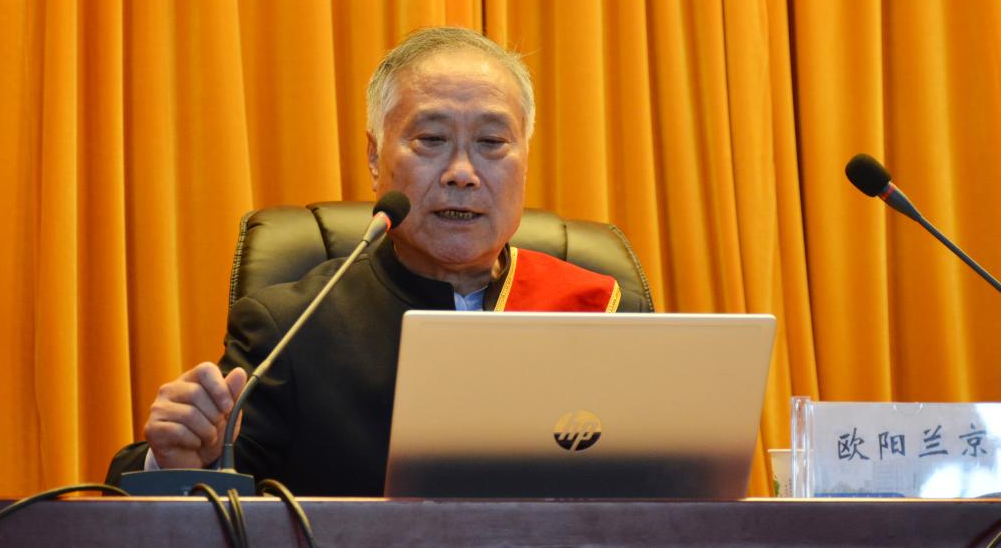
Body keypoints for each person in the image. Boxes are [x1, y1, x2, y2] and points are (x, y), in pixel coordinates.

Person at [106, 27, 650, 495]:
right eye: (432, 138)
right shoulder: (291, 329)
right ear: (374, 157)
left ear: (524, 162)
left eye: (491, 142)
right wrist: (177, 461)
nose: (463, 173)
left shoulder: (608, 316)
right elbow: (198, 492)